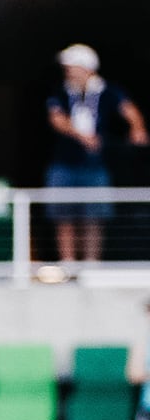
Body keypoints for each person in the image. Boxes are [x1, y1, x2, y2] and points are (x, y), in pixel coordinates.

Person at [44, 43, 148, 263]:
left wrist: (137, 128)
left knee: (94, 215)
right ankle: (68, 263)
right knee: (63, 216)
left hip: (96, 164)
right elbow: (56, 119)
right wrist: (82, 136)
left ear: (86, 68)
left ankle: (92, 263)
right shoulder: (60, 90)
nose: (68, 71)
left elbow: (129, 110)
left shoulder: (107, 90)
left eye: (71, 66)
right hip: (64, 163)